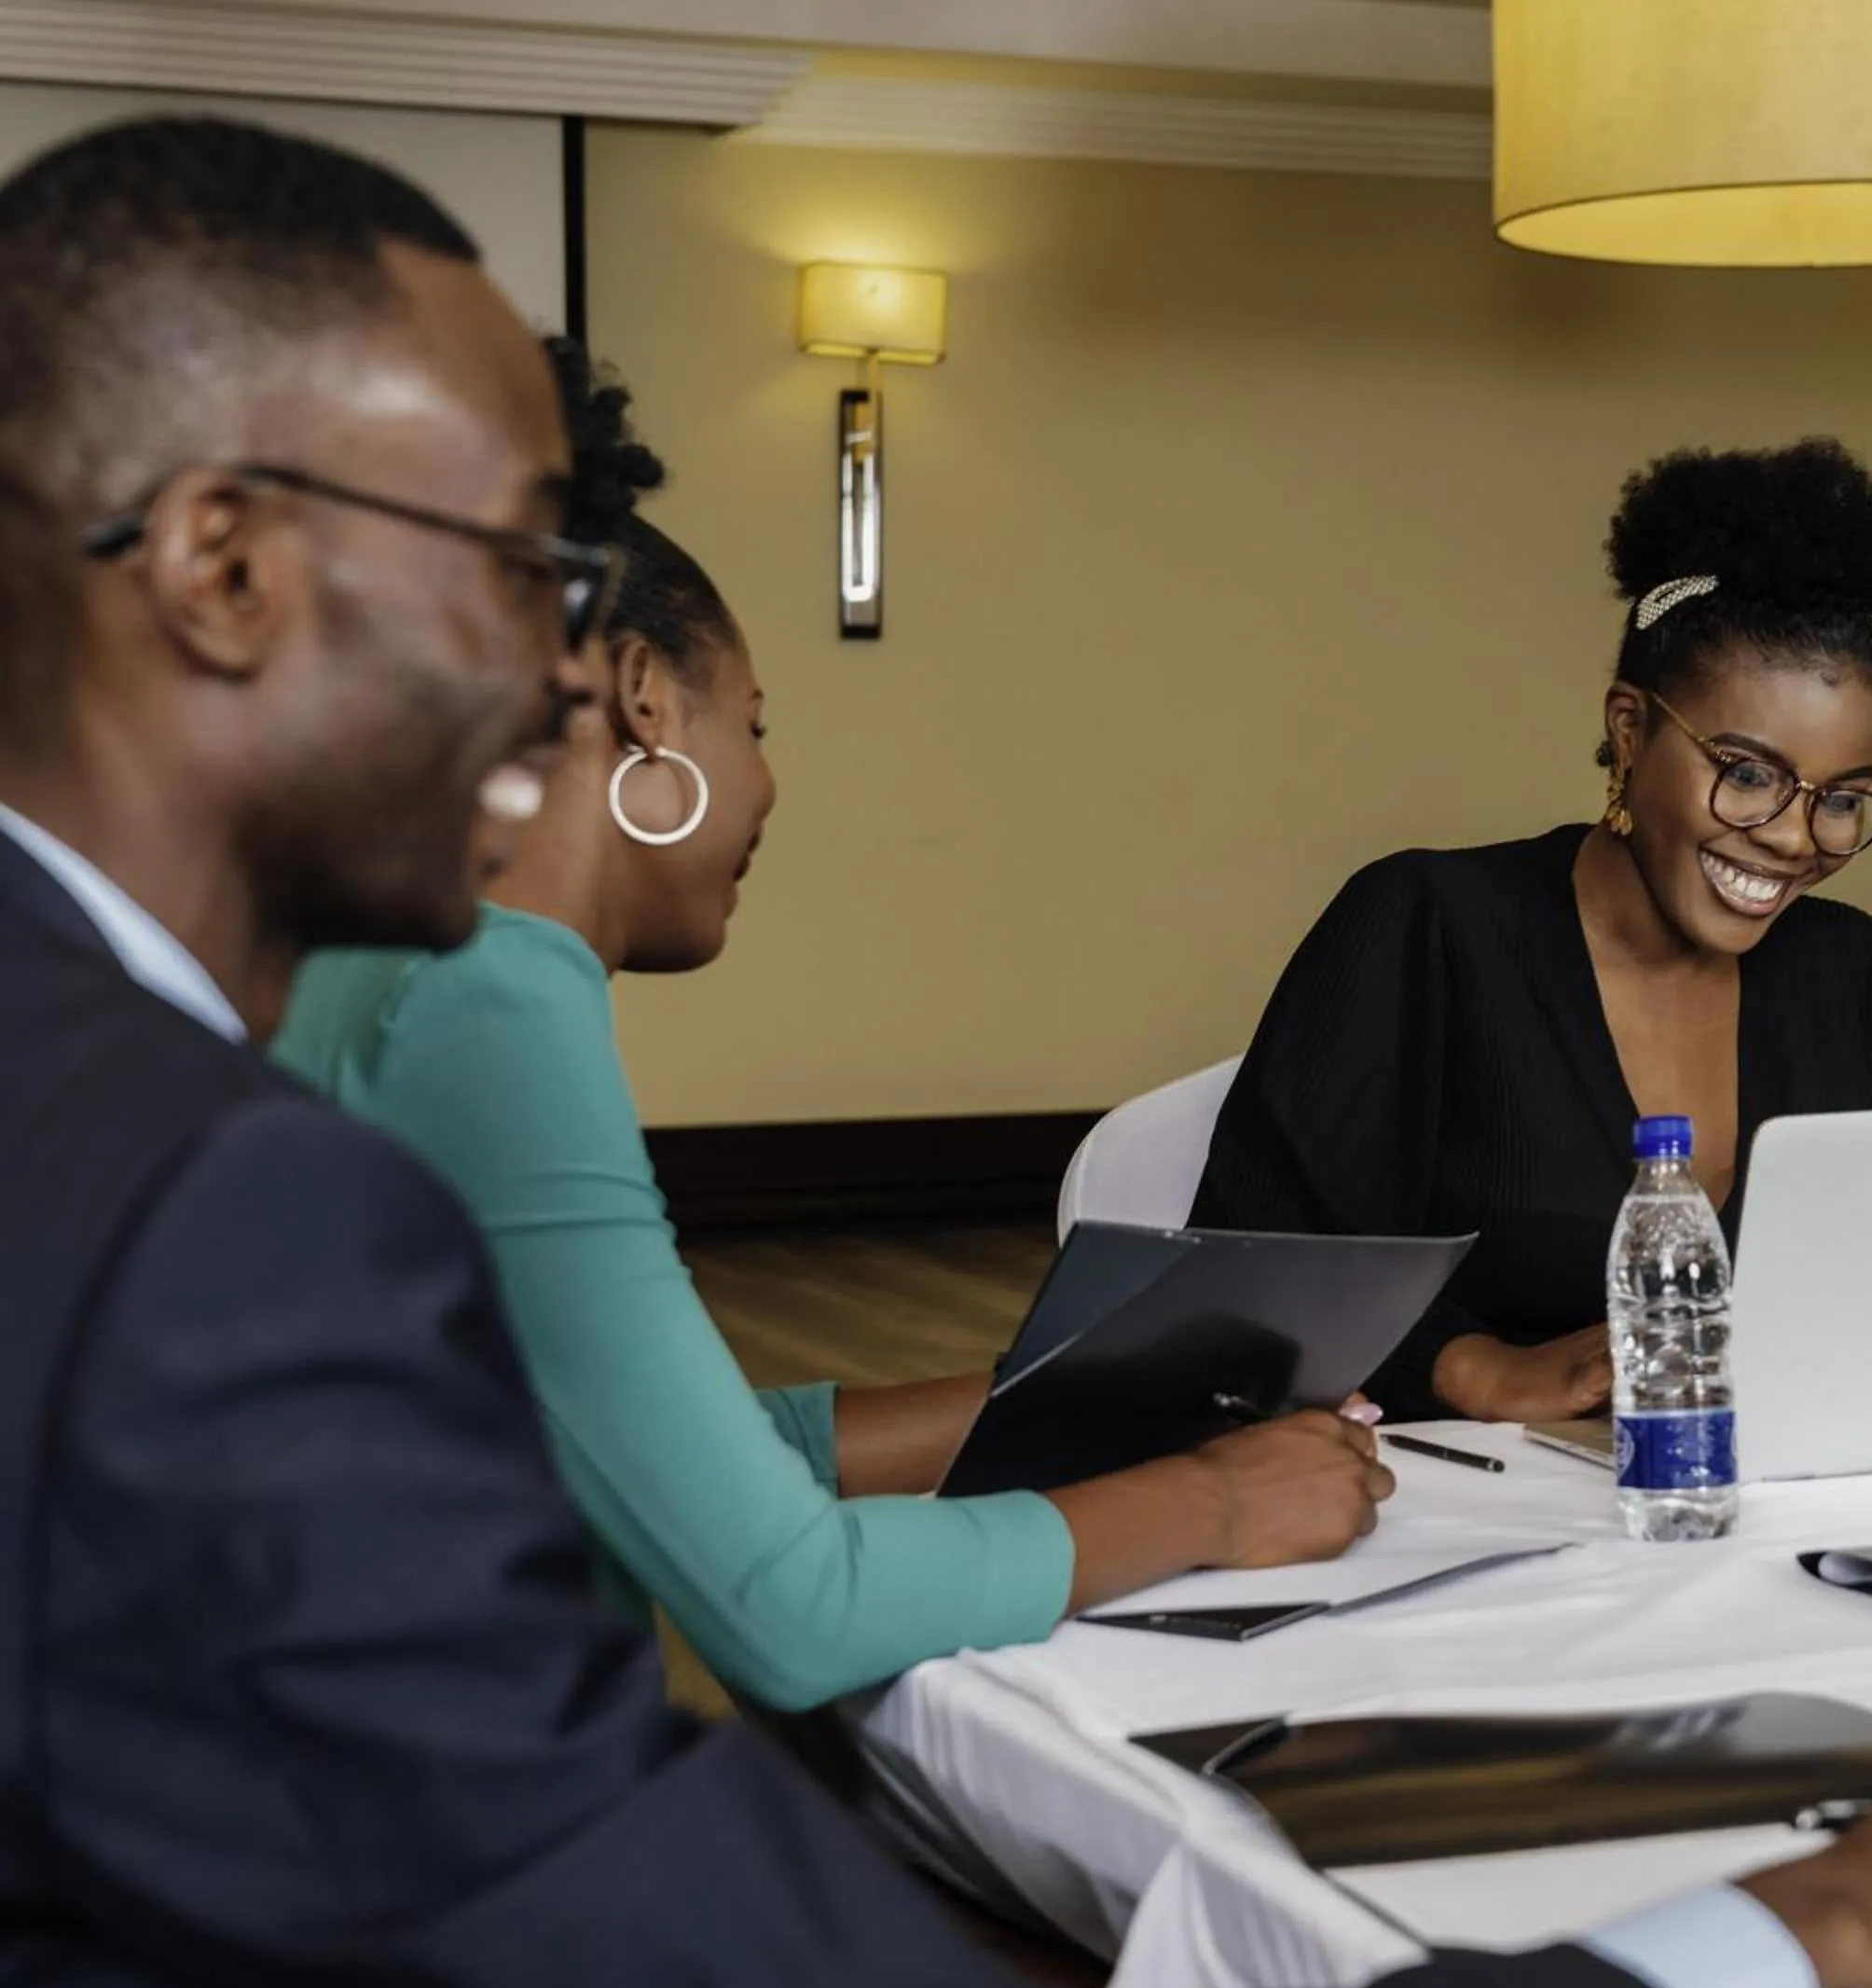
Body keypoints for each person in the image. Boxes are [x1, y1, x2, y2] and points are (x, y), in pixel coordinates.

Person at [0, 117, 1872, 1988]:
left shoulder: (113, 1100)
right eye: (520, 568)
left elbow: (586, 1468)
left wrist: (1093, 1407)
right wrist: (1792, 1929)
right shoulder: (216, 1221)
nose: (567, 670)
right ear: (220, 568)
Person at [276, 408, 1393, 1715]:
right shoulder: (490, 1001)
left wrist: (1114, 1401)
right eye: (754, 725)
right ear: (643, 699)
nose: (765, 784)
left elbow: (655, 1450)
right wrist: (1214, 1499)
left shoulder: (368, 958)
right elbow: (796, 1606)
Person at [1194, 438, 1872, 1421]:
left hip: (1757, 1475)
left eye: (1840, 798)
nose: (1795, 838)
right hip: (1443, 1483)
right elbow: (1253, 1273)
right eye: (1748, 773)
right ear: (1630, 731)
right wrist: (1477, 1369)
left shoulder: (1857, 972)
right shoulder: (1427, 927)